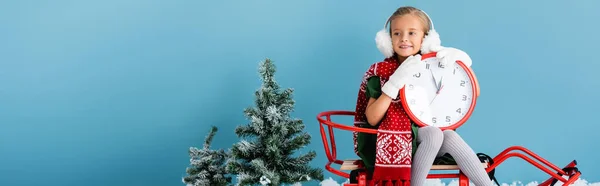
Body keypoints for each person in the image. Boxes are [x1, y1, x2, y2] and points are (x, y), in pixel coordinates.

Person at [352, 6, 493, 186]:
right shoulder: (381, 72)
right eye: (396, 33)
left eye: (412, 33)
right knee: (434, 133)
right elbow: (372, 118)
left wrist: (461, 63)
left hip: (423, 141)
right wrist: (394, 84)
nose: (404, 38)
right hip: (390, 142)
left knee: (448, 135)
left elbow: (475, 93)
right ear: (387, 40)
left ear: (426, 39)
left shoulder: (434, 65)